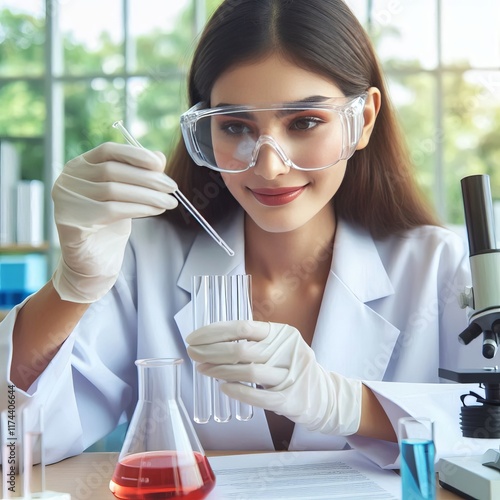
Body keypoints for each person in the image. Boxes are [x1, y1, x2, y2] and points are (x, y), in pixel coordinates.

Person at [1, 0, 498, 467]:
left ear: (362, 120)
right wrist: (73, 287)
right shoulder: (146, 259)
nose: (269, 165)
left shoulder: (436, 265)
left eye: (304, 121)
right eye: (236, 127)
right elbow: (12, 443)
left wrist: (351, 405)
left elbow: (490, 438)